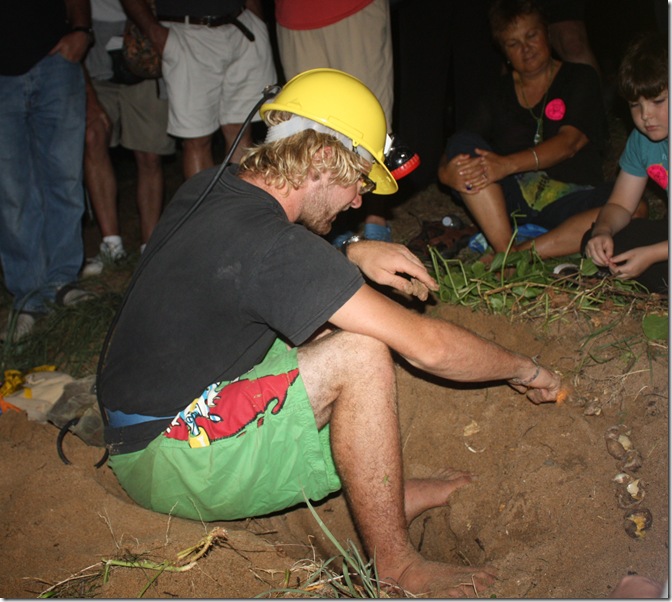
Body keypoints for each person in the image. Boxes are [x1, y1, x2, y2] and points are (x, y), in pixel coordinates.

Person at [96, 68, 563, 597]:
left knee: (322, 326)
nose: (360, 201)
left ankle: (381, 496)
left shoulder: (210, 187)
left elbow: (260, 273)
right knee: (360, 352)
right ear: (322, 159)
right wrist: (527, 369)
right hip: (172, 459)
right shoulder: (276, 248)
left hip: (142, 426)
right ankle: (395, 565)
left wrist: (349, 252)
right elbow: (428, 348)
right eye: (359, 179)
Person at [437, 0, 616, 258]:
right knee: (464, 145)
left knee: (632, 208)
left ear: (547, 32)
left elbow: (570, 143)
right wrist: (446, 174)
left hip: (572, 198)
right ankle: (505, 250)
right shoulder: (496, 92)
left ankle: (519, 254)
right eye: (513, 43)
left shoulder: (579, 77)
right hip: (515, 202)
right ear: (504, 52)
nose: (526, 48)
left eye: (531, 35)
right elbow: (459, 142)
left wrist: (506, 164)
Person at [0, 0, 94, 342]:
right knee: (12, 192)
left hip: (56, 61)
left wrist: (81, 30)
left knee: (65, 179)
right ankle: (29, 296)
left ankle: (62, 281)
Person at [275, 0, 396, 244]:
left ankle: (376, 217)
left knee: (370, 122)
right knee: (304, 130)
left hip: (352, 7)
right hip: (294, 13)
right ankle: (324, 221)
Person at [119, 0, 277, 179]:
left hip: (242, 24)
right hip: (186, 30)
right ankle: (205, 198)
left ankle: (238, 197)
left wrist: (257, 19)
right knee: (197, 138)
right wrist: (154, 32)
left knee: (241, 129)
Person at [82, 0, 176, 277]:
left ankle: (150, 248)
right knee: (92, 140)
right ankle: (111, 245)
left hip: (143, 43)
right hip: (94, 45)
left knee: (150, 153)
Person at [584, 33, 668, 294]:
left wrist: (652, 254)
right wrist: (602, 231)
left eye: (658, 101)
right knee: (596, 241)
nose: (645, 115)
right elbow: (620, 204)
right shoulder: (642, 141)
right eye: (635, 104)